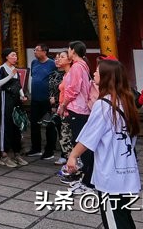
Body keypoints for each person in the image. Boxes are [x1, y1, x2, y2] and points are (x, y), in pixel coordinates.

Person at [65, 58, 141, 229]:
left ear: (107, 77)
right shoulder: (126, 101)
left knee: (114, 220)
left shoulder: (103, 104)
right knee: (123, 215)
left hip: (110, 174)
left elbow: (89, 137)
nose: (94, 73)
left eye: (98, 71)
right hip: (127, 170)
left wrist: (73, 156)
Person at [57, 40, 94, 193]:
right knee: (81, 142)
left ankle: (89, 180)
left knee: (80, 144)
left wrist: (63, 105)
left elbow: (72, 90)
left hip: (77, 109)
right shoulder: (83, 66)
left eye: (69, 50)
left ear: (73, 51)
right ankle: (87, 177)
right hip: (81, 109)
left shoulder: (77, 67)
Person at [0, 47, 28, 167]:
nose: (15, 57)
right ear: (6, 57)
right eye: (13, 55)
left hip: (16, 100)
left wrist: (22, 96)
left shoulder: (15, 70)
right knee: (6, 125)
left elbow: (18, 85)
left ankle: (17, 154)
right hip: (6, 99)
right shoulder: (2, 69)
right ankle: (4, 155)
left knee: (16, 126)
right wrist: (10, 76)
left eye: (16, 55)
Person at [28, 44, 57, 160]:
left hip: (47, 100)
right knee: (34, 124)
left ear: (44, 52)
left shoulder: (52, 64)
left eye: (37, 50)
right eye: (34, 50)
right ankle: (36, 148)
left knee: (49, 125)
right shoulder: (34, 63)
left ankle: (49, 151)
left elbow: (55, 80)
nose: (35, 52)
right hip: (35, 99)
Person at [49, 51, 71, 165]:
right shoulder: (53, 74)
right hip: (56, 106)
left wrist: (58, 101)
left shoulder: (69, 74)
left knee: (67, 132)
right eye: (56, 58)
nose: (57, 60)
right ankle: (64, 154)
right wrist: (52, 103)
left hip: (65, 105)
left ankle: (70, 157)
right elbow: (51, 89)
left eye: (61, 58)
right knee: (60, 130)